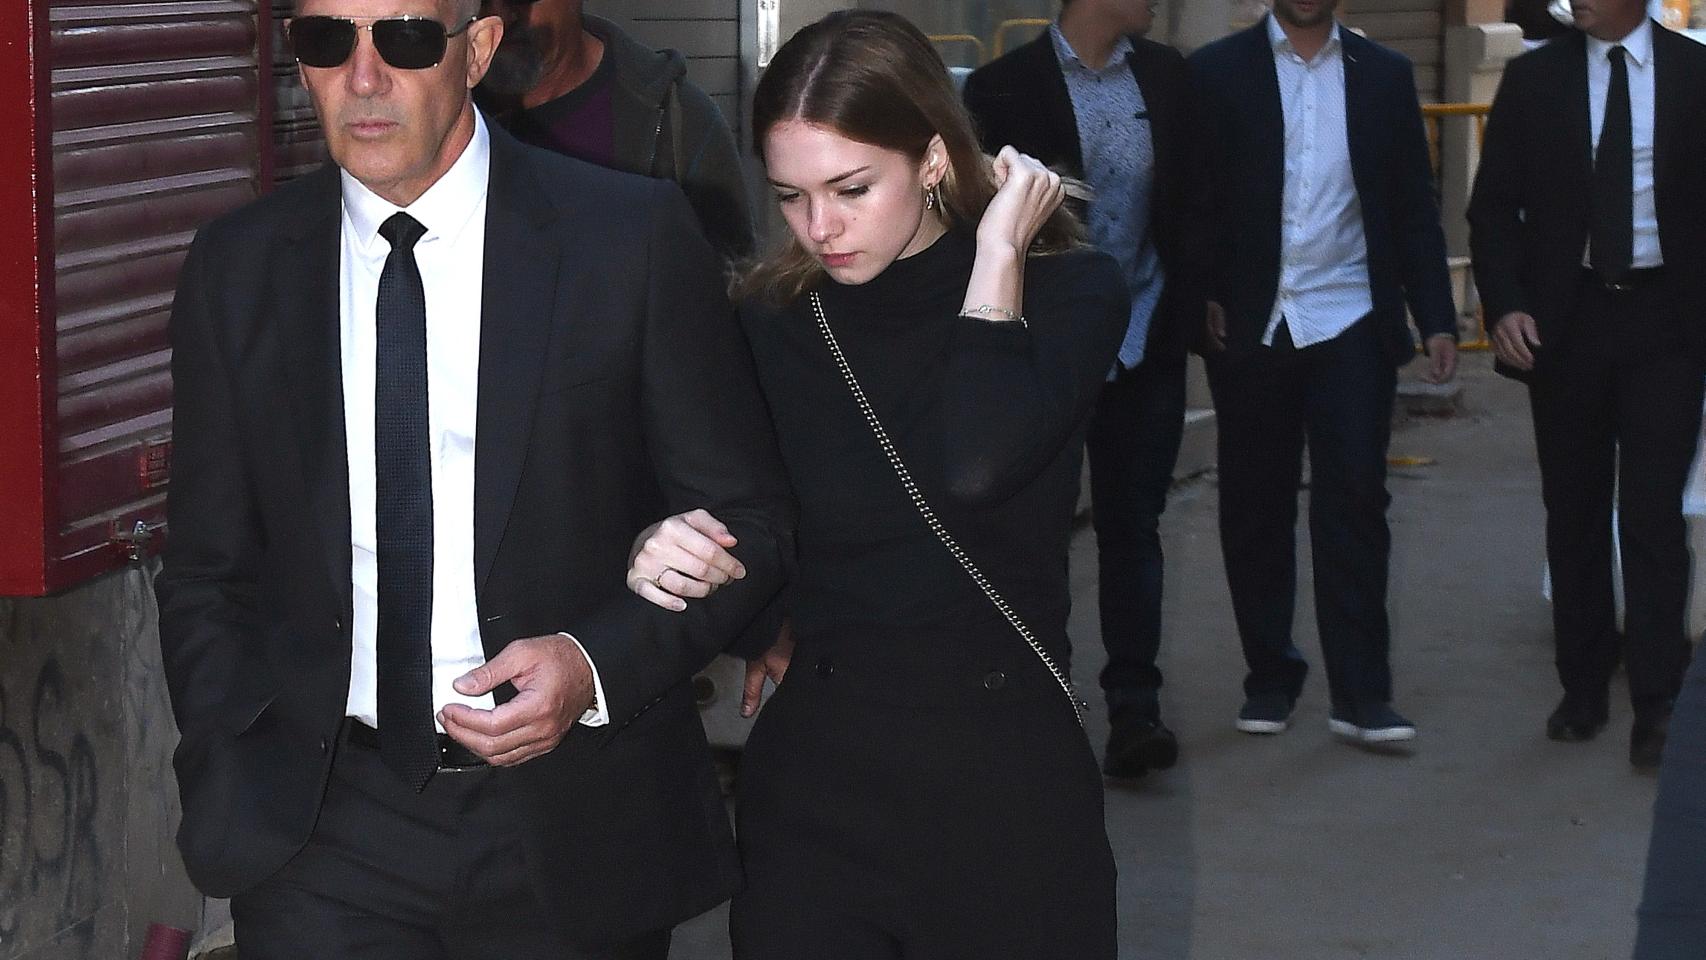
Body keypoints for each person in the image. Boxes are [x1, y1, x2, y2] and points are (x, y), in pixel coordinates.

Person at [153, 0, 794, 956]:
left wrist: (592, 665)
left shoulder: (627, 238)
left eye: (406, 38)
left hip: (571, 823)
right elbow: (205, 564)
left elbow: (751, 520)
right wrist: (229, 753)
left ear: (479, 49)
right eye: (327, 40)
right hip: (323, 830)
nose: (364, 78)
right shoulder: (238, 267)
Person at [626, 11, 1127, 956]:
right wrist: (692, 570)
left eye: (852, 189)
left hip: (1007, 786)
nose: (821, 228)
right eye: (791, 196)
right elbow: (735, 522)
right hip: (819, 788)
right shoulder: (770, 322)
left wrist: (998, 257)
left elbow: (976, 465)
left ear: (933, 157)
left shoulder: (1070, 292)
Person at [1189, 0, 1458, 744]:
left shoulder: (1385, 75)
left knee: (1356, 502)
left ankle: (1362, 694)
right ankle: (1270, 678)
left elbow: (1412, 206)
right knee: (1255, 505)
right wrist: (1202, 293)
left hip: (1350, 318)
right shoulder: (1217, 73)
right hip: (1254, 322)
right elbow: (1192, 199)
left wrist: (1437, 316)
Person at [963, 0, 1206, 779]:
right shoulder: (1004, 87)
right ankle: (1040, 707)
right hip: (1047, 349)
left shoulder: (1166, 78)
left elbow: (1192, 203)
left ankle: (1135, 709)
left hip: (1144, 339)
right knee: (1036, 532)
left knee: (1134, 525)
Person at [1468, 0, 1706, 769]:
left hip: (1667, 324)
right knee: (1572, 509)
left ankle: (1659, 703)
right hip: (1566, 324)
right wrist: (1506, 304)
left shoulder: (1695, 73)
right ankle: (1582, 685)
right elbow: (1492, 207)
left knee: (1652, 515)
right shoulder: (1535, 79)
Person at [474, 0, 754, 263]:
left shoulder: (679, 123)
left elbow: (731, 282)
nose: (499, 16)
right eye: (480, 0)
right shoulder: (455, 113)